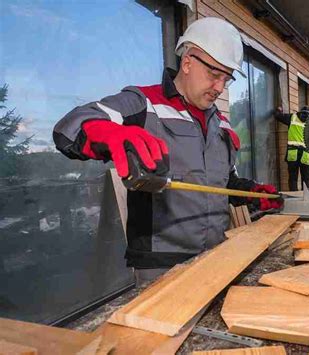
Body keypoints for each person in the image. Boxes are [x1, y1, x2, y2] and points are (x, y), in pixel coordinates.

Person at [53, 17, 282, 284]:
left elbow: (224, 181)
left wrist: (251, 193)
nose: (220, 87)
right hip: (161, 267)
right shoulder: (143, 104)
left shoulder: (222, 123)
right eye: (214, 74)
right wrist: (110, 133)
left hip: (218, 256)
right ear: (188, 62)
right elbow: (69, 128)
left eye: (226, 79)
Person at [275, 105, 309, 191]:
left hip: (293, 153)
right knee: (306, 180)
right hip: (306, 155)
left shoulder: (292, 117)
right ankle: (306, 199)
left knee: (293, 178)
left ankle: (294, 197)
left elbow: (278, 116)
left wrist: (279, 110)